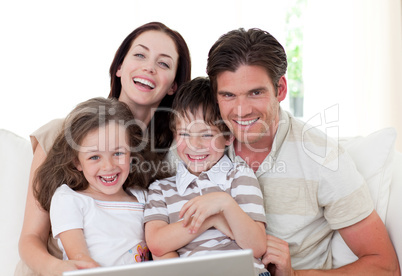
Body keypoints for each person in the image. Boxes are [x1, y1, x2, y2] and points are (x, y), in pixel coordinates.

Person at [206, 27, 400, 275]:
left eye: (256, 92)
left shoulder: (324, 159)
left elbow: (385, 266)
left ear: (281, 89)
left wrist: (295, 275)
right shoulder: (198, 147)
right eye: (229, 95)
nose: (241, 110)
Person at [17, 22, 191, 275]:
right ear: (119, 67)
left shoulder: (171, 158)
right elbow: (30, 237)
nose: (149, 67)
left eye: (163, 63)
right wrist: (59, 268)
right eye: (140, 55)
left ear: (173, 85)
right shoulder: (60, 133)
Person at [143, 77, 270, 276]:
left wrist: (225, 203)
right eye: (184, 134)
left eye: (207, 135)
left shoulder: (239, 176)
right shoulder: (161, 189)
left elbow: (257, 246)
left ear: (228, 136)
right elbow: (157, 244)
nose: (195, 145)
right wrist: (212, 219)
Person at [34, 97, 151, 267]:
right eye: (94, 157)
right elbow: (80, 259)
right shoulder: (69, 199)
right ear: (77, 162)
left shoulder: (145, 198)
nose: (108, 166)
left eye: (118, 153)